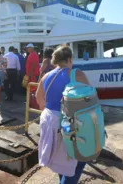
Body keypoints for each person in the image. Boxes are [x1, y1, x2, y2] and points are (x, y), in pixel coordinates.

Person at [36, 45, 89, 183]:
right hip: (67, 122)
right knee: (80, 159)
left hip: (48, 120)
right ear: (70, 59)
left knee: (60, 160)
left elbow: (39, 98)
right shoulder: (76, 74)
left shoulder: (47, 76)